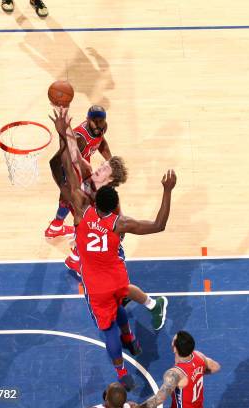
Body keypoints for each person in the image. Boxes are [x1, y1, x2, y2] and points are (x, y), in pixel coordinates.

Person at [54, 107, 177, 389]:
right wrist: (167, 190)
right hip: (116, 277)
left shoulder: (82, 210)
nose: (99, 170)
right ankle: (130, 338)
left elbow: (70, 169)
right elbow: (159, 225)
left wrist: (64, 135)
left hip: (95, 282)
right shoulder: (119, 221)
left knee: (106, 328)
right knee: (119, 304)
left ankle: (122, 371)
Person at [45, 105, 112, 238]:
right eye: (95, 121)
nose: (98, 124)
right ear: (87, 120)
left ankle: (56, 226)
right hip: (69, 167)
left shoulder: (102, 128)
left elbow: (101, 143)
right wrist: (64, 182)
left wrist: (110, 160)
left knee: (75, 201)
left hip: (82, 168)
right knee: (79, 204)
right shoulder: (80, 138)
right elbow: (59, 159)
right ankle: (78, 242)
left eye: (101, 120)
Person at [137, 331, 220, 408]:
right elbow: (216, 367)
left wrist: (138, 407)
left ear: (175, 348)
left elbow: (159, 399)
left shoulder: (175, 373)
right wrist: (196, 373)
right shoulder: (199, 356)